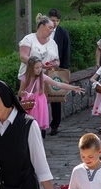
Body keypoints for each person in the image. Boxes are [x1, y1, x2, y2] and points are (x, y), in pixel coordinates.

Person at [19, 56, 85, 138]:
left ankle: (38, 140)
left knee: (38, 124)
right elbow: (20, 92)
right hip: (29, 104)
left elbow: (58, 84)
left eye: (40, 67)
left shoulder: (42, 77)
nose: (39, 69)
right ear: (30, 68)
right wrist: (23, 93)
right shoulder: (25, 78)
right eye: (36, 68)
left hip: (39, 104)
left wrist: (72, 87)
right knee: (28, 126)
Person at [47, 8, 71, 136]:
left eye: (56, 21)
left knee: (56, 97)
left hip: (57, 68)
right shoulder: (44, 32)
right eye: (52, 20)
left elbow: (66, 52)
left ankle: (55, 124)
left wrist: (64, 69)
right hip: (44, 68)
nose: (54, 23)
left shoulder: (63, 33)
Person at [18, 14, 60, 79]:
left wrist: (53, 64)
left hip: (46, 79)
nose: (52, 30)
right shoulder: (28, 39)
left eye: (53, 28)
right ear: (42, 26)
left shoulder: (53, 43)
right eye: (50, 27)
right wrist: (39, 65)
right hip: (28, 78)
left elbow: (57, 60)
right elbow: (23, 57)